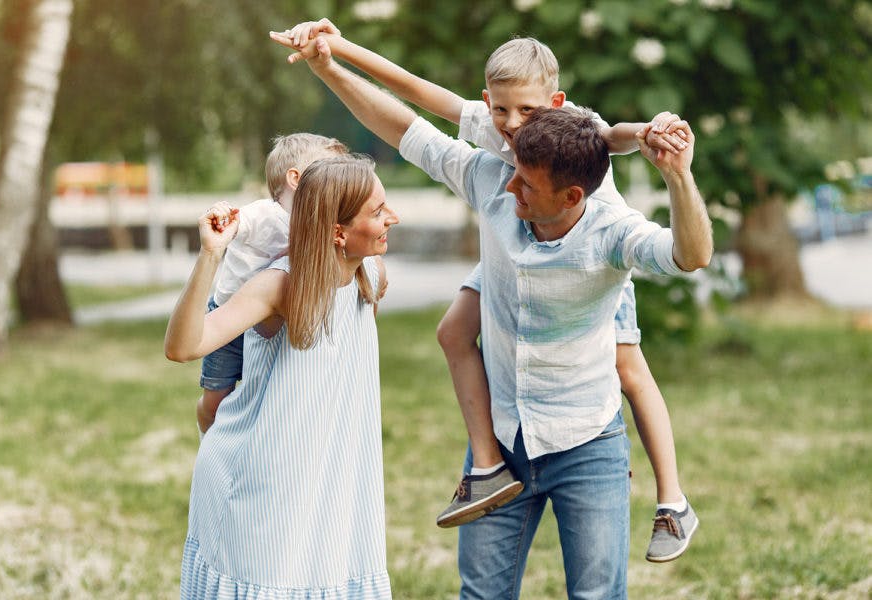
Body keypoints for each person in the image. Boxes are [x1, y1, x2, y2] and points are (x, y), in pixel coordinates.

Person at [270, 28, 712, 599]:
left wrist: (677, 172)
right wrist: (329, 66)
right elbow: (408, 125)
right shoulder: (493, 175)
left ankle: (672, 499)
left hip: (586, 440)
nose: (506, 186)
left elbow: (689, 254)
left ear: (571, 197)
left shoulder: (610, 230)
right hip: (505, 436)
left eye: (525, 184)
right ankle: (486, 469)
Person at [165, 154, 399, 598]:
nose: (394, 218)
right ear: (337, 231)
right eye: (378, 211)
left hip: (330, 491)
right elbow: (182, 347)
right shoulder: (278, 286)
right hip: (260, 491)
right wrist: (211, 256)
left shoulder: (370, 273)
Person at [195, 133, 348, 435]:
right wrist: (226, 221)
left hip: (264, 322)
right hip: (227, 318)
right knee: (216, 400)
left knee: (261, 397)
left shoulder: (319, 222)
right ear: (296, 178)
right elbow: (240, 222)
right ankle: (207, 432)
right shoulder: (266, 213)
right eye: (329, 170)